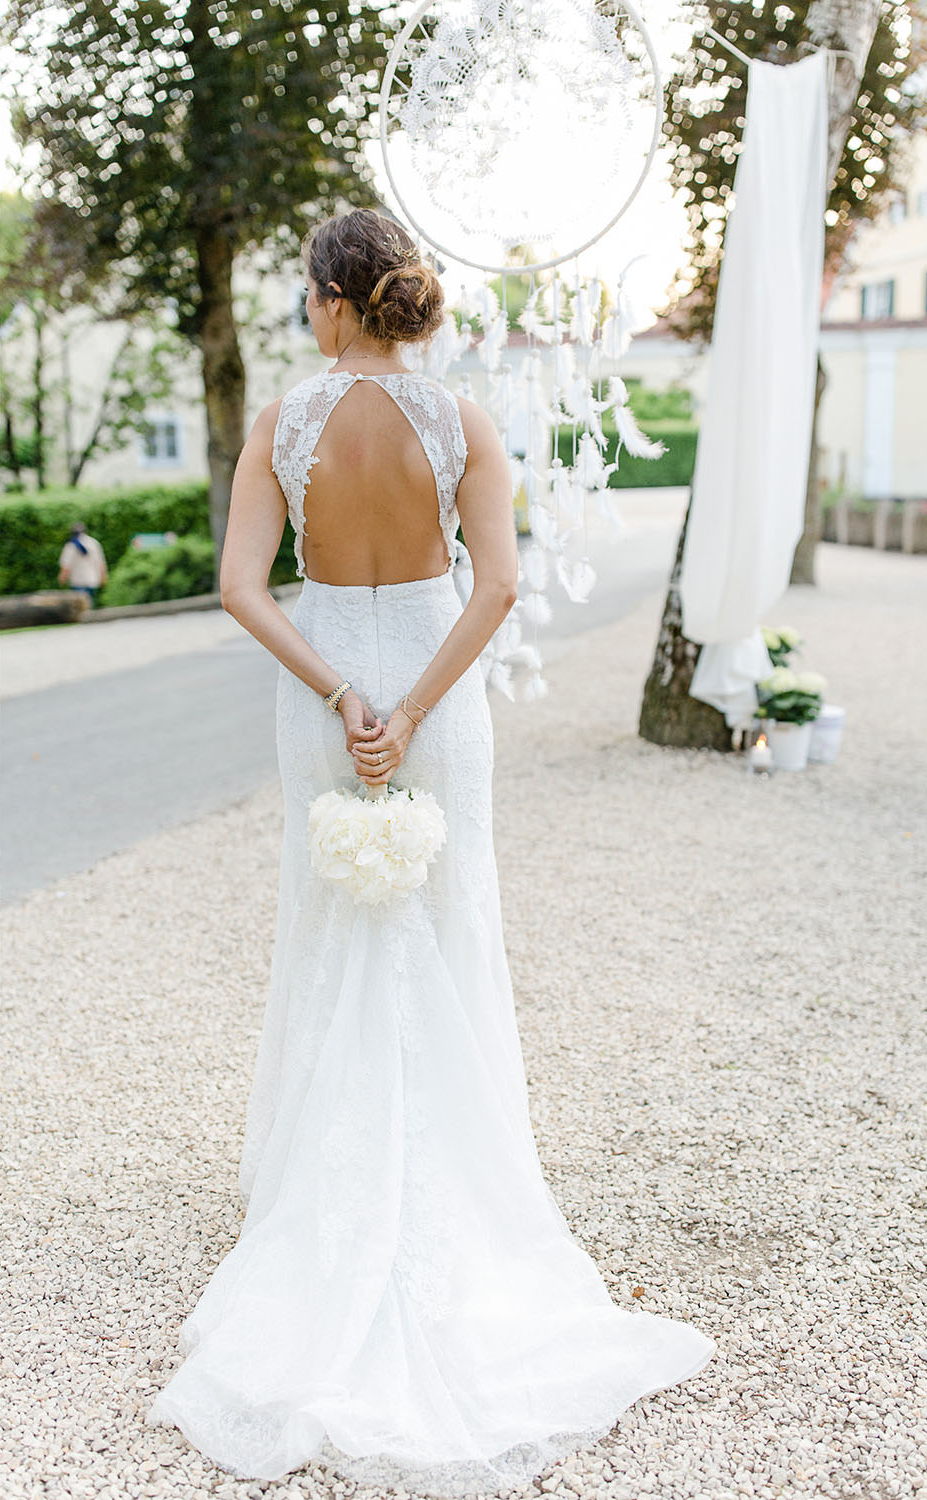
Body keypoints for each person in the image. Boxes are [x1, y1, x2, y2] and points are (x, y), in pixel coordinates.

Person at [145, 208, 712, 1490]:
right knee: (445, 931)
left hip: (320, 691)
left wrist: (342, 695)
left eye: (308, 293)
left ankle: (321, 1194)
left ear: (340, 301)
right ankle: (456, 1193)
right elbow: (499, 586)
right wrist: (408, 709)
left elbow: (243, 587)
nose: (303, 312)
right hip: (439, 699)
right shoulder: (463, 423)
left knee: (331, 923)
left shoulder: (278, 425)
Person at [57, 521, 107, 602]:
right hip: (92, 580)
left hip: (78, 581)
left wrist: (62, 579)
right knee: (90, 605)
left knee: (79, 608)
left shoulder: (70, 545)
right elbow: (101, 564)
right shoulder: (94, 543)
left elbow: (66, 567)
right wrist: (103, 578)